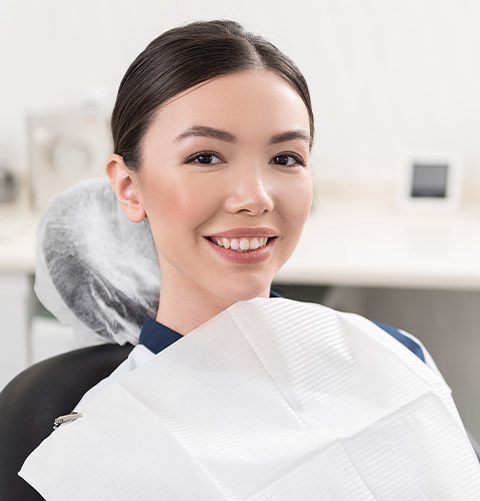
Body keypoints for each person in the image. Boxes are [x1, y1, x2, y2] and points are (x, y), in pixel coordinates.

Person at [19, 19, 480, 499]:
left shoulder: (392, 354)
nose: (254, 198)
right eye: (205, 157)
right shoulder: (94, 458)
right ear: (129, 187)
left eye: (285, 159)